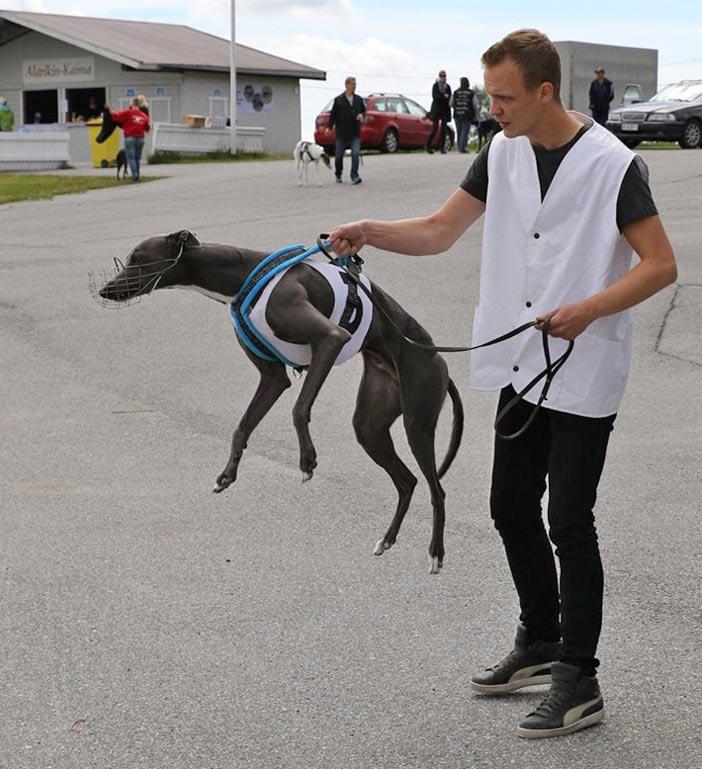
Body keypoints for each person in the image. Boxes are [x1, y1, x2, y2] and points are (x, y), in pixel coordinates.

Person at [328, 28, 676, 739]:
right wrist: (369, 228)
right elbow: (438, 230)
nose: (493, 111)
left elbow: (659, 264)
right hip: (522, 358)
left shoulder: (613, 164)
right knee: (510, 505)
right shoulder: (501, 152)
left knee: (569, 522)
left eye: (505, 98)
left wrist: (590, 308)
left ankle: (580, 677)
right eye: (489, 97)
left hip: (584, 364)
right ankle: (542, 639)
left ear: (545, 91)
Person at [328, 76, 366, 185]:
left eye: (355, 84)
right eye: (353, 84)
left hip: (354, 133)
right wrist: (329, 127)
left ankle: (354, 175)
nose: (355, 86)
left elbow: (364, 111)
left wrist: (361, 115)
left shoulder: (359, 99)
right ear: (347, 85)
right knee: (339, 156)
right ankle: (338, 174)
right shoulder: (338, 100)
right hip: (342, 133)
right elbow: (333, 115)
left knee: (355, 154)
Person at [110, 98, 151, 182]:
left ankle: (135, 174)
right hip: (140, 139)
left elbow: (116, 117)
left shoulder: (128, 112)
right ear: (139, 105)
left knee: (131, 157)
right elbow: (147, 128)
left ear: (131, 104)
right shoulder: (144, 116)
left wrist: (110, 110)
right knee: (137, 158)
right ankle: (137, 175)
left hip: (130, 138)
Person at [427, 70, 452, 153]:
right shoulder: (435, 86)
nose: (443, 78)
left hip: (444, 110)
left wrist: (445, 97)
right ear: (439, 77)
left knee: (444, 130)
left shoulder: (447, 87)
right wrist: (443, 96)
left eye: (444, 76)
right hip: (436, 110)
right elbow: (435, 96)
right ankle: (428, 146)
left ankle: (442, 148)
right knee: (434, 128)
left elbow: (449, 97)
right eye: (441, 76)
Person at [451, 77, 476, 153]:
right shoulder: (471, 93)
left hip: (457, 114)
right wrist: (475, 115)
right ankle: (462, 148)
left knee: (459, 132)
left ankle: (459, 148)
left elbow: (451, 103)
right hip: (467, 114)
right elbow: (475, 104)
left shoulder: (456, 92)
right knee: (465, 132)